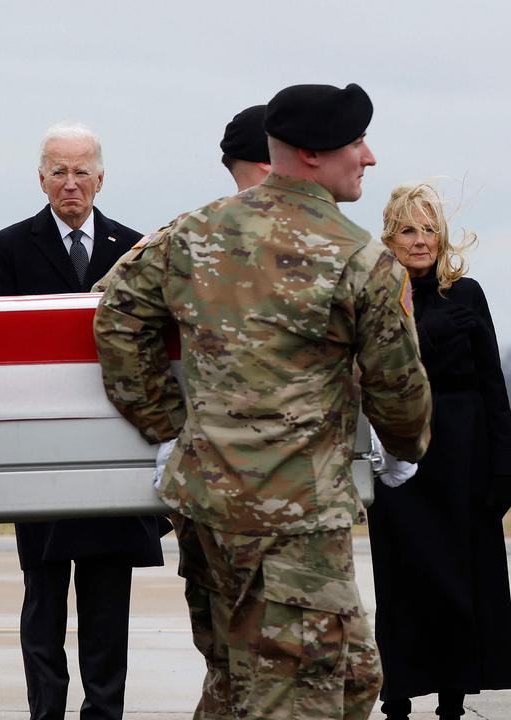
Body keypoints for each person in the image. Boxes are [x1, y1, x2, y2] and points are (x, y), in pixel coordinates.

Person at [93, 82, 433, 719]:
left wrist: (164, 424)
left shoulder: (194, 232)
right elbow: (398, 385)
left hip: (207, 505)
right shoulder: (358, 258)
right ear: (310, 153)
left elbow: (116, 312)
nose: (370, 156)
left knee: (311, 678)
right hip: (294, 523)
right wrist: (408, 449)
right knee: (295, 698)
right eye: (356, 143)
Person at [0, 123, 167, 720]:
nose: (70, 183)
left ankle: (104, 713)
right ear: (41, 179)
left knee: (108, 602)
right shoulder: (7, 249)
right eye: (58, 171)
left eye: (81, 170)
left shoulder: (135, 248)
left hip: (116, 447)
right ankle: (47, 712)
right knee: (43, 600)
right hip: (41, 452)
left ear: (101, 178)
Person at [367, 182, 511, 720]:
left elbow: (494, 387)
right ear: (391, 235)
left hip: (464, 459)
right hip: (401, 459)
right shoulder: (378, 294)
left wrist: (503, 471)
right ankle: (399, 692)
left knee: (462, 581)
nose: (421, 240)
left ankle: (454, 695)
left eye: (430, 229)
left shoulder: (466, 293)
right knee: (403, 580)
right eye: (409, 229)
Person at [92, 102, 271, 295]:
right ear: (268, 163)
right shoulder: (187, 236)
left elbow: (102, 299)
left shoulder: (185, 234)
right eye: (306, 154)